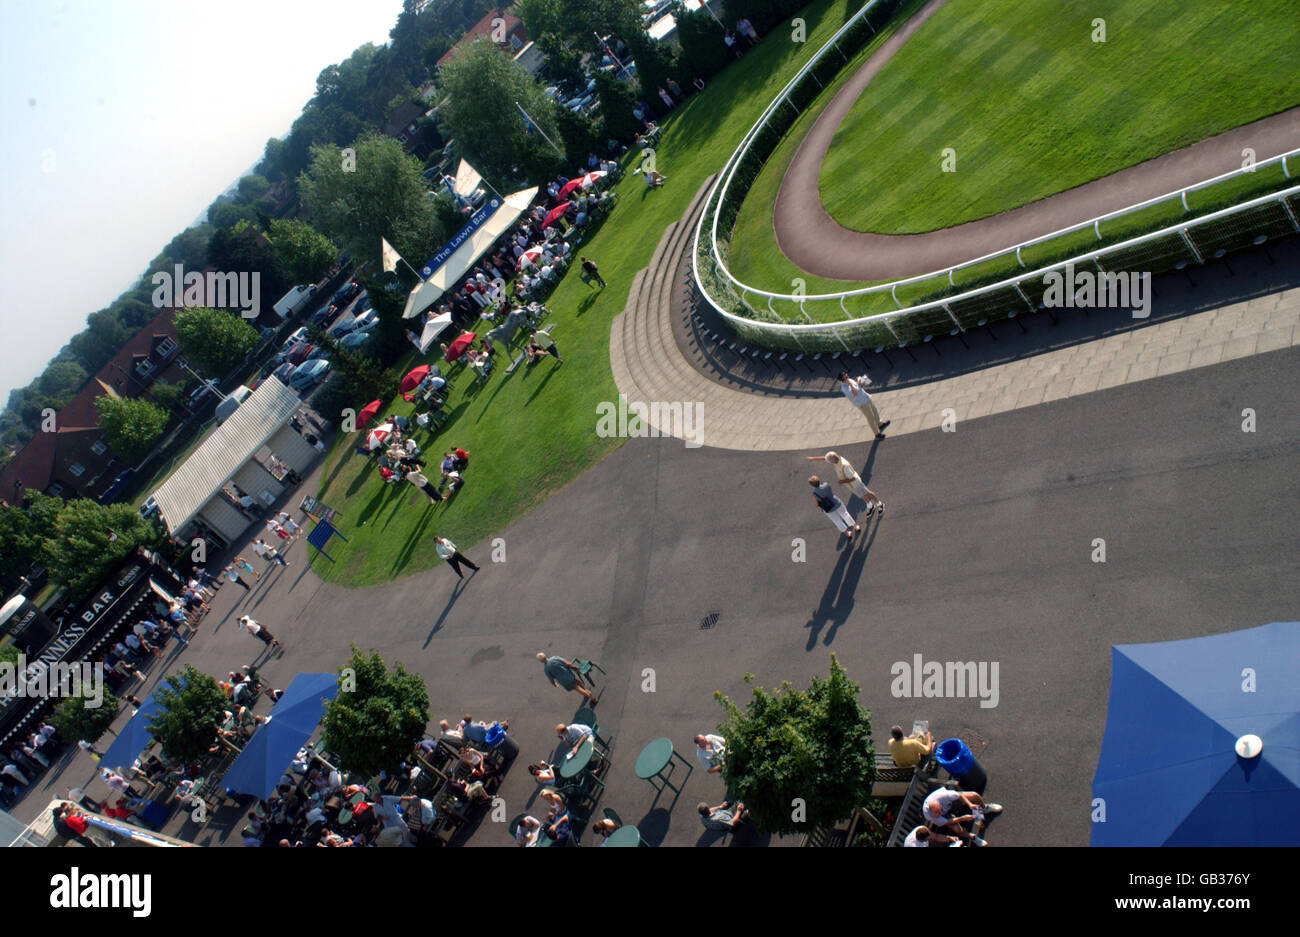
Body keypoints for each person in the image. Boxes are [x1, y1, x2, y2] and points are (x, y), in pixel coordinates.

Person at [806, 451, 884, 517]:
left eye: (829, 461)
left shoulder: (844, 466)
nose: (828, 462)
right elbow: (825, 459)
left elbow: (853, 478)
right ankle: (870, 505)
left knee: (867, 493)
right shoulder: (836, 460)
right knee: (861, 495)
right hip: (851, 485)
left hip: (856, 484)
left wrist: (842, 482)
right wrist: (814, 458)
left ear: (832, 461)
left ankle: (879, 504)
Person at [922, 788, 1001, 845]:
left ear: (940, 804)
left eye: (940, 810)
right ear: (931, 812)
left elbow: (959, 795)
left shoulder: (944, 795)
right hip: (946, 816)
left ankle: (984, 809)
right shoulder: (930, 816)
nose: (939, 812)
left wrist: (970, 804)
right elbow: (947, 822)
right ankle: (972, 837)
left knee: (974, 795)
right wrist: (963, 818)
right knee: (957, 829)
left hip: (951, 803)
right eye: (936, 812)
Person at [837, 371, 890, 438]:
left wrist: (860, 380)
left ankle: (879, 424)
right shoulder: (844, 388)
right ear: (842, 380)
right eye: (845, 378)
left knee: (874, 410)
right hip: (861, 402)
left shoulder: (849, 380)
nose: (847, 378)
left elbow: (857, 385)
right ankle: (876, 433)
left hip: (865, 396)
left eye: (847, 376)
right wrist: (850, 384)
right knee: (870, 417)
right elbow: (855, 393)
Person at [809, 475, 859, 539]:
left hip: (828, 509)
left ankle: (848, 533)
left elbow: (816, 505)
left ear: (812, 485)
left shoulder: (814, 494)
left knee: (837, 521)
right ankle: (856, 526)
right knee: (845, 514)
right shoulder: (826, 484)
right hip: (836, 503)